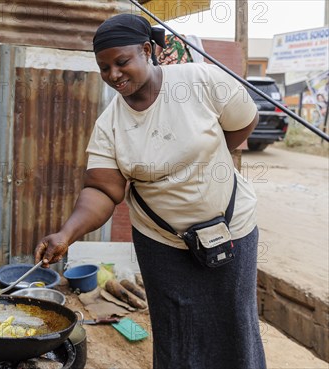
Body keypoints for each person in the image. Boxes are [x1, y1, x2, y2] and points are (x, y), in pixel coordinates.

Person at [34, 14, 266, 369]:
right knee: (177, 332)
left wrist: (202, 163)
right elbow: (102, 190)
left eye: (121, 62)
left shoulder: (199, 80)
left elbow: (243, 121)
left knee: (234, 324)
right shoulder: (109, 125)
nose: (113, 75)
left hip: (230, 230)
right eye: (104, 67)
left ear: (146, 50)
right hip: (162, 243)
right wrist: (66, 234)